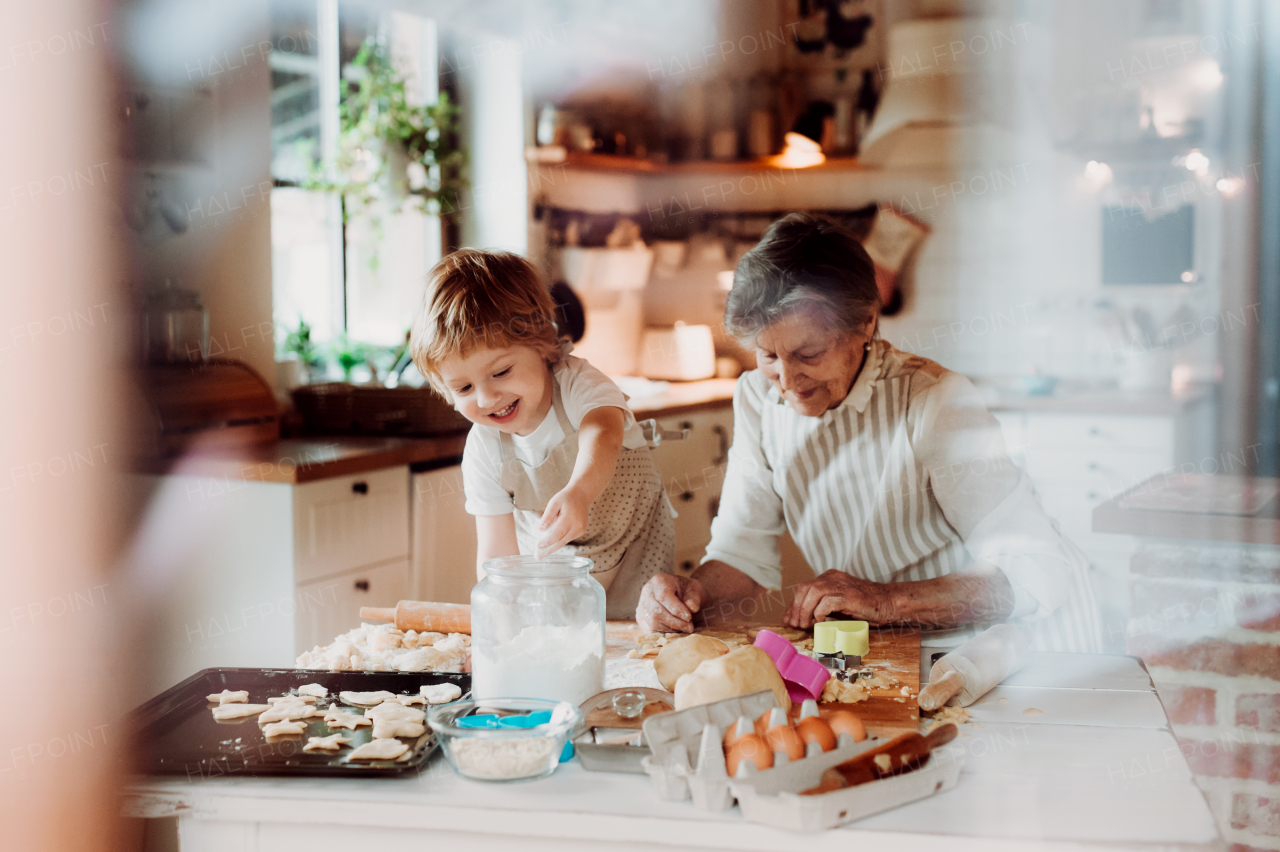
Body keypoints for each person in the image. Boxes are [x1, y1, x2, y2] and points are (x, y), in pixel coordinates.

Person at [635, 214, 1101, 652]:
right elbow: (741, 551)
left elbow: (1039, 571)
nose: (789, 382)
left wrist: (884, 602)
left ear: (866, 324)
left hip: (984, 654)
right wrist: (689, 597)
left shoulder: (934, 401)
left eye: (809, 354)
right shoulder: (758, 396)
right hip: (871, 654)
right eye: (768, 355)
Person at [410, 249, 674, 618]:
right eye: (464, 389)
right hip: (556, 580)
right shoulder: (485, 450)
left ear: (542, 346)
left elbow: (604, 433)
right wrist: (498, 630)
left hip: (637, 559)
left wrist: (579, 493)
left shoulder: (578, 382)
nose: (487, 398)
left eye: (501, 372)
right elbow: (496, 558)